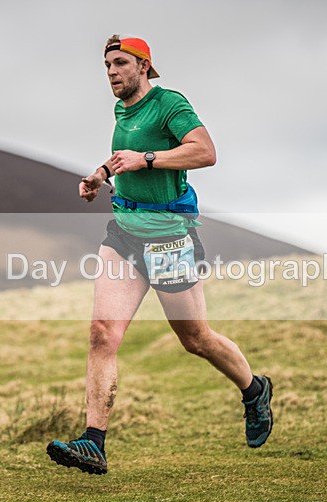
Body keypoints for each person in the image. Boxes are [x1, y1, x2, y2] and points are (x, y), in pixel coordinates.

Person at [46, 35, 272, 474]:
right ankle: (94, 443)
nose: (111, 71)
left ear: (144, 66)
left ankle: (254, 389)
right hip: (124, 234)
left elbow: (205, 152)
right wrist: (100, 175)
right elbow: (123, 156)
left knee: (196, 339)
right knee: (101, 334)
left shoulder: (170, 103)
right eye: (107, 64)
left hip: (169, 236)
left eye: (120, 63)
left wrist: (147, 158)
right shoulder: (121, 109)